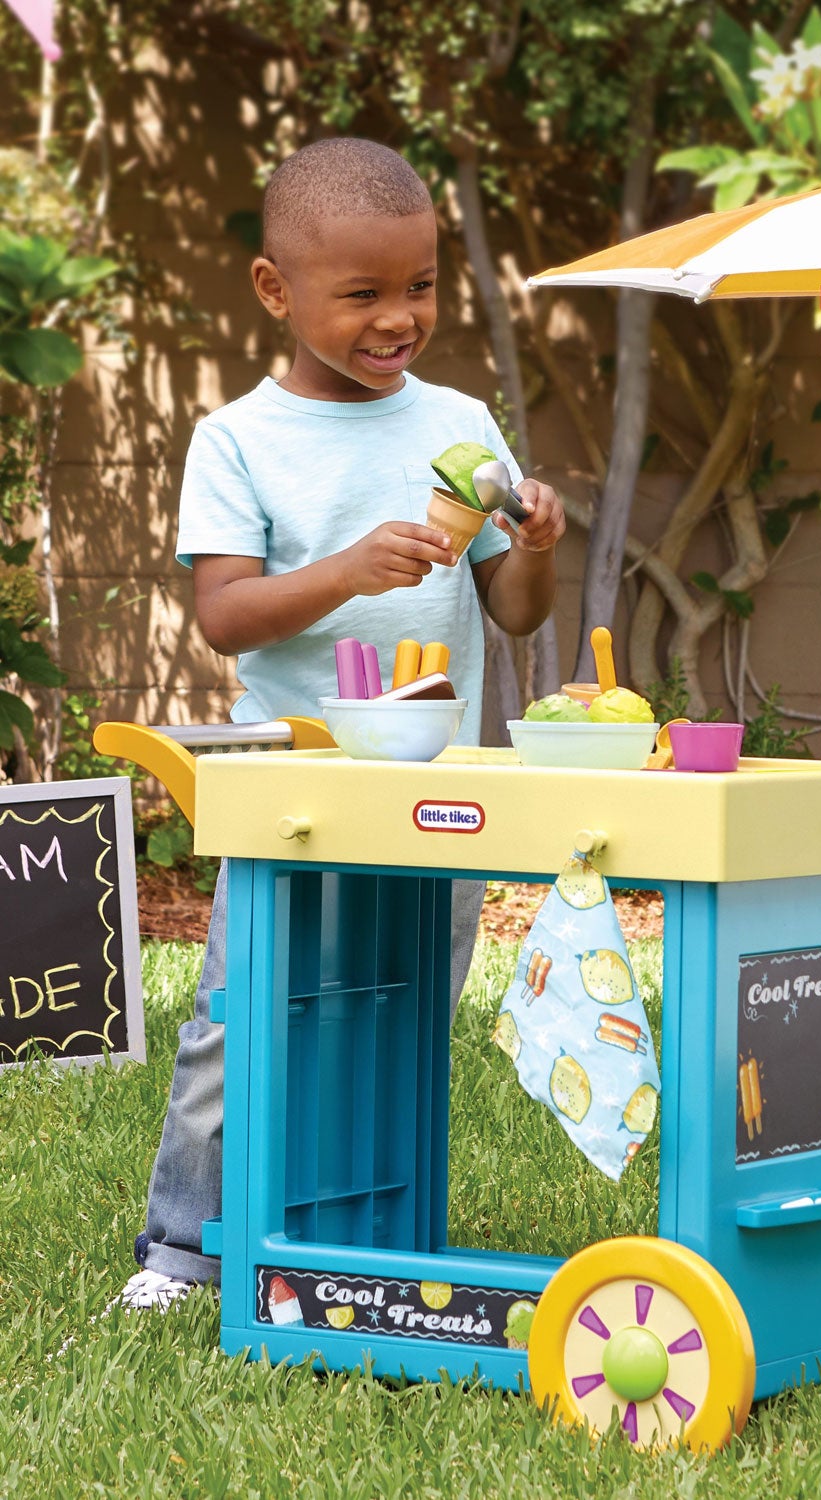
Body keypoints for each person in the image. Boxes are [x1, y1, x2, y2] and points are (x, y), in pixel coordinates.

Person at [113, 137, 565, 1312]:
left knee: (400, 1014)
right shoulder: (240, 441)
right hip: (298, 789)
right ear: (278, 290)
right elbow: (225, 616)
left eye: (418, 286)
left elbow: (511, 610)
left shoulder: (460, 419)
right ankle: (182, 1248)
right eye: (361, 293)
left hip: (438, 782)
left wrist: (535, 548)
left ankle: (367, 1229)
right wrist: (351, 569)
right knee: (244, 1013)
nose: (397, 317)